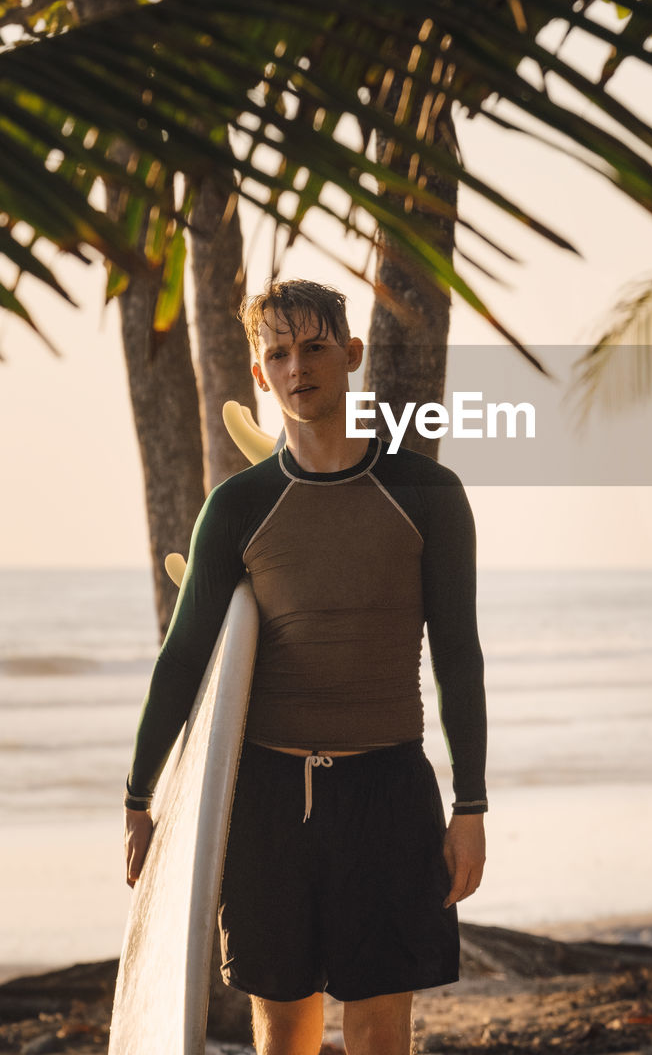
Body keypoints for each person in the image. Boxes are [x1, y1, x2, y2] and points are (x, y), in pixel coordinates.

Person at [123, 279, 487, 1055]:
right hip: (267, 799)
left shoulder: (426, 494)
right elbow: (184, 657)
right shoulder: (238, 505)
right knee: (282, 1026)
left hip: (386, 793)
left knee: (381, 1027)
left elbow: (458, 655)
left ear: (350, 354)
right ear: (258, 373)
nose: (298, 367)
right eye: (278, 353)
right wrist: (138, 794)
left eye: (315, 347)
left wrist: (471, 807)